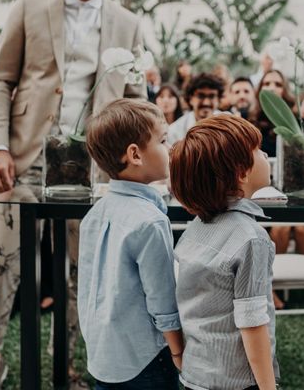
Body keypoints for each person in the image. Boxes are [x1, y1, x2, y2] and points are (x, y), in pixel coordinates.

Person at [0, 0, 144, 389]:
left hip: (92, 169)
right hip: (23, 160)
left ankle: (66, 366)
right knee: (2, 262)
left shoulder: (128, 24)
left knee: (80, 272)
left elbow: (135, 99)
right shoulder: (29, 5)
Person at [79, 99, 183, 389]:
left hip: (103, 356)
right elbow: (162, 300)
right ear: (135, 154)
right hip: (145, 358)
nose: (170, 148)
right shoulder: (150, 221)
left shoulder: (95, 214)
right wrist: (178, 350)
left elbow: (87, 286)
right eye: (163, 140)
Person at [171, 114, 278, 390]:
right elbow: (252, 324)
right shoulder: (252, 238)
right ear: (241, 172)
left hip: (196, 375)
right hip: (237, 381)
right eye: (258, 151)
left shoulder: (196, 227)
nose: (265, 154)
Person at [167, 73, 224, 145]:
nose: (206, 103)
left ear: (218, 99)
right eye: (201, 96)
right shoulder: (174, 132)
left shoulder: (228, 123)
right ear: (190, 98)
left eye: (211, 96)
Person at [250, 69, 295, 157]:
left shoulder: (294, 121)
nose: (271, 88)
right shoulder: (247, 118)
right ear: (260, 89)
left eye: (278, 85)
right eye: (266, 84)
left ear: (285, 90)